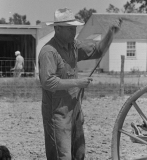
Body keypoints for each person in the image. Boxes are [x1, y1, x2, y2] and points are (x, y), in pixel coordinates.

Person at [38, 8, 122, 160]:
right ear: (57, 29)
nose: (74, 31)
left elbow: (98, 50)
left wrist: (110, 33)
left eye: (74, 27)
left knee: (79, 153)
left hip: (75, 108)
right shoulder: (48, 52)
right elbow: (48, 82)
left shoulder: (74, 46)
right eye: (70, 28)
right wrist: (78, 82)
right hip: (57, 112)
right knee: (62, 155)